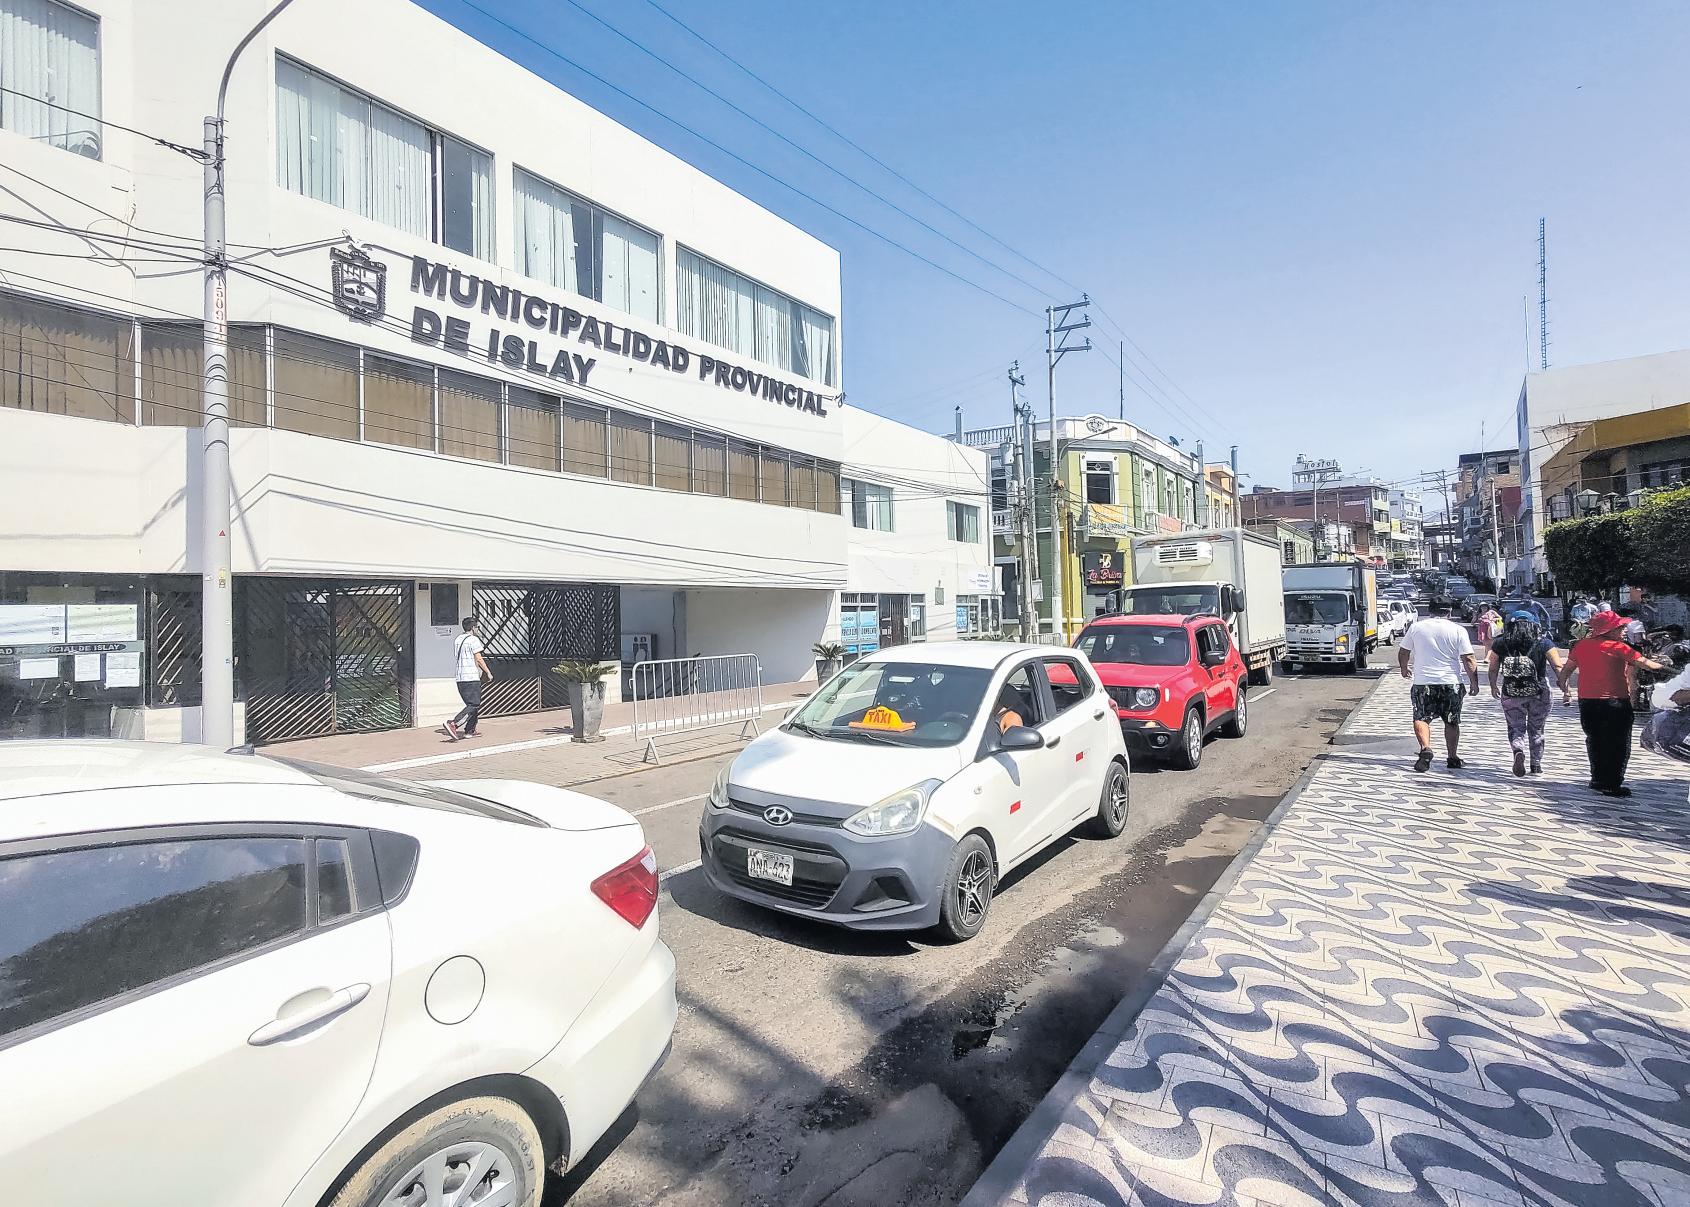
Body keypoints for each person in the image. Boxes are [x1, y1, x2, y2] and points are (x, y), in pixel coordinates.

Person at [1557, 610, 1668, 797]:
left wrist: (1565, 688)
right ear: (1608, 630)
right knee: (1618, 744)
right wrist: (1672, 670)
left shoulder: (1581, 646)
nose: (1624, 630)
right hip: (1615, 702)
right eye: (1620, 627)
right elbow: (1646, 664)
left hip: (1587, 703)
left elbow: (1566, 670)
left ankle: (1598, 779)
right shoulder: (1619, 647)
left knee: (1596, 740)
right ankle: (1612, 784)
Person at [1398, 597, 1481, 773]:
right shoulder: (1458, 630)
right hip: (1451, 683)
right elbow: (1468, 658)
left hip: (1423, 682)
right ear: (1449, 611)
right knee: (1452, 721)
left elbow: (1404, 651)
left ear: (1430, 610)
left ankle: (1426, 748)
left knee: (1421, 718)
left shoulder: (1416, 628)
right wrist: (1474, 682)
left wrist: (1404, 669)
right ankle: (1452, 757)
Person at [1488, 612, 1564, 777]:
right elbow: (1557, 666)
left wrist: (1493, 686)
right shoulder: (1544, 642)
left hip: (1511, 690)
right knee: (1537, 728)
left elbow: (1493, 667)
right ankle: (1536, 764)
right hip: (1539, 690)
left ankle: (1518, 749)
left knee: (1515, 726)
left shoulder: (1500, 643)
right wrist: (1566, 687)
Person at [443, 615, 492, 741]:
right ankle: (454, 723)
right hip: (470, 676)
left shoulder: (458, 639)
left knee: (471, 705)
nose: (478, 630)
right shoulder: (473, 640)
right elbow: (478, 658)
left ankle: (470, 730)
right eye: (477, 627)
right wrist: (487, 672)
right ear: (473, 627)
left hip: (460, 677)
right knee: (474, 704)